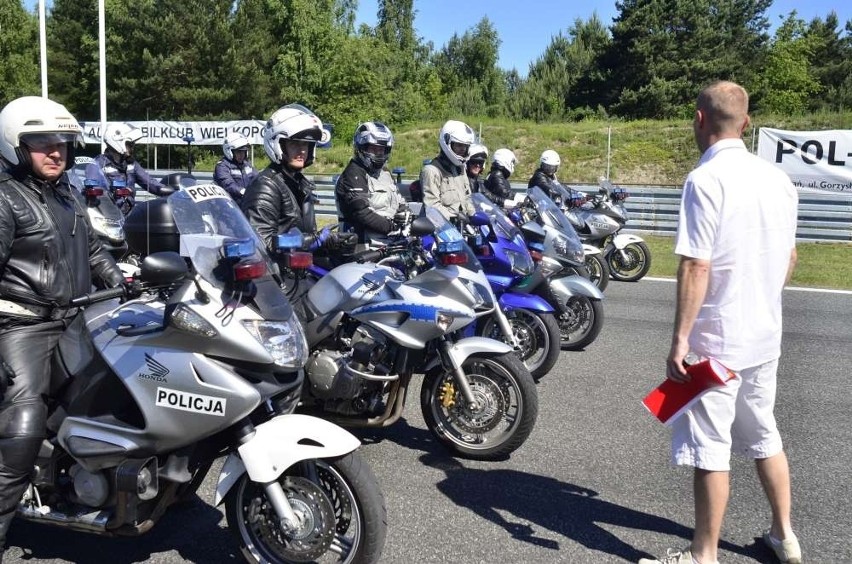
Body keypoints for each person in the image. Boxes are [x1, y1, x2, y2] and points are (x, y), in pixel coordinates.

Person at [640, 81, 800, 564]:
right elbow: (789, 258)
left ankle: (703, 555)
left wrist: (680, 339)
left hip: (718, 341)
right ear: (746, 123)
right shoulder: (779, 180)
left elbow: (696, 265)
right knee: (763, 434)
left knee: (711, 448)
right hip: (764, 335)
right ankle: (784, 536)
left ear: (699, 119)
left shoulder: (704, 181)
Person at [0, 96, 125, 556]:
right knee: (25, 420)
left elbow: (92, 251)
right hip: (23, 326)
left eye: (63, 143)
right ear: (16, 146)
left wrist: (121, 283)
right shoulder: (4, 198)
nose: (56, 152)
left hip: (77, 315)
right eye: (41, 143)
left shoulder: (67, 194)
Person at [241, 103, 355, 258]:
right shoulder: (266, 185)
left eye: (306, 144)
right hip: (278, 278)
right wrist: (313, 240)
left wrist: (332, 244)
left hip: (299, 272)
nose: (302, 150)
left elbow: (306, 243)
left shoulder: (300, 185)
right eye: (295, 143)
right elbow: (261, 245)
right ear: (278, 144)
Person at [335, 121, 407, 248]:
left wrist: (405, 215)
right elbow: (361, 212)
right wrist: (391, 227)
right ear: (361, 147)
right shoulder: (353, 173)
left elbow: (400, 201)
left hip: (390, 242)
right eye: (373, 149)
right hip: (363, 244)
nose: (379, 154)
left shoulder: (385, 173)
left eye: (382, 149)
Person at [86, 122, 165, 212]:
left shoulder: (130, 164)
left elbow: (151, 183)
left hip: (130, 216)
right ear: (117, 141)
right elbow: (95, 193)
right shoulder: (97, 164)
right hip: (108, 216)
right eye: (129, 144)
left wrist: (173, 191)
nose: (132, 148)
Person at [420, 120, 476, 221]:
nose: (463, 149)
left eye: (465, 146)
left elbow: (467, 198)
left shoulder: (461, 168)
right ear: (447, 142)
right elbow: (432, 207)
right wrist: (455, 217)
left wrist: (474, 217)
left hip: (463, 226)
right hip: (443, 228)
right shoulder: (432, 171)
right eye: (459, 145)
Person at [214, 131, 257, 202]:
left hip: (246, 201)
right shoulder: (222, 166)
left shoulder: (246, 164)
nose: (242, 155)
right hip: (230, 205)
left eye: (244, 152)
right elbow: (227, 184)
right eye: (238, 152)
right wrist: (242, 191)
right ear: (229, 151)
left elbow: (257, 178)